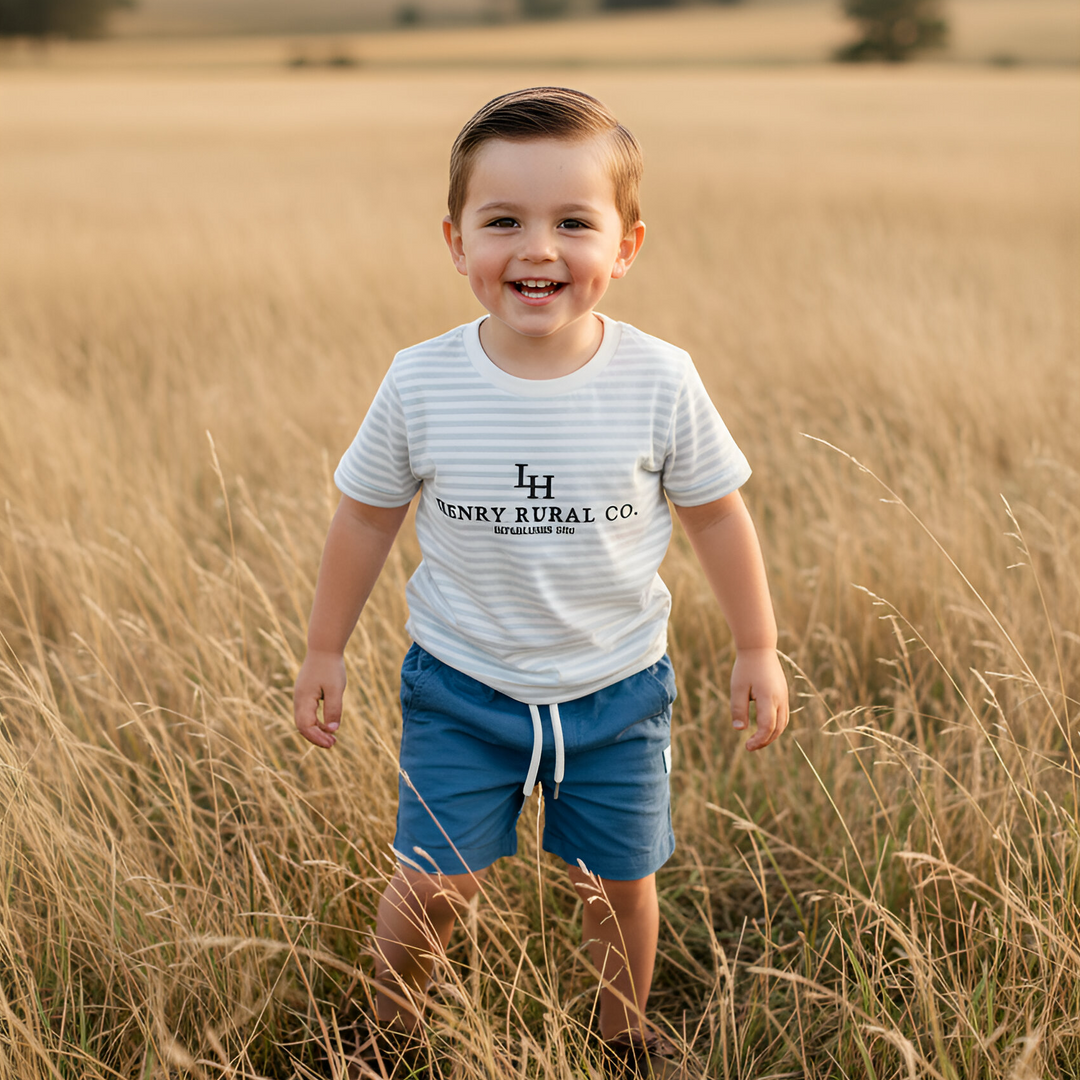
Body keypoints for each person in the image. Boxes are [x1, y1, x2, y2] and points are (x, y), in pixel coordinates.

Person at [293, 86, 789, 1079]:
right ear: (455, 238)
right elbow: (367, 516)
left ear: (627, 245)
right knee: (436, 884)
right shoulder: (423, 380)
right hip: (462, 686)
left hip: (618, 690)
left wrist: (757, 646)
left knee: (617, 884)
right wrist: (325, 647)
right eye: (503, 221)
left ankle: (621, 1038)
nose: (537, 250)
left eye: (573, 222)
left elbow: (715, 515)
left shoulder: (658, 379)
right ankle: (385, 1029)